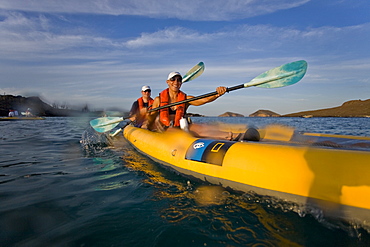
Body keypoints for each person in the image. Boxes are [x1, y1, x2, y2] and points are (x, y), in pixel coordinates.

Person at [147, 72, 241, 140]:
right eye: (173, 79)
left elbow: (204, 100)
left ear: (181, 83)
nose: (176, 82)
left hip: (182, 126)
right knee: (176, 132)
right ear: (168, 82)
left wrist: (217, 94)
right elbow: (151, 117)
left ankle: (236, 135)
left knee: (201, 128)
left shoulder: (186, 99)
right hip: (165, 128)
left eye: (179, 80)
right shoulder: (158, 100)